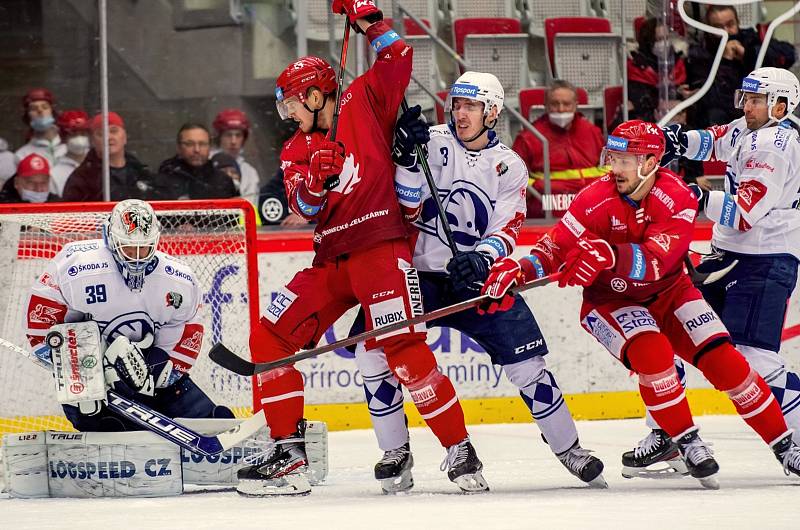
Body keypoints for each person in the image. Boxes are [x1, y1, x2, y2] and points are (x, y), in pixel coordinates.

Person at [235, 0, 482, 497]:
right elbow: (302, 206)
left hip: (380, 250)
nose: (288, 114)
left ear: (313, 93)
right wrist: (318, 180)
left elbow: (399, 59)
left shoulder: (362, 100)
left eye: (291, 103)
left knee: (403, 348)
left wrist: (368, 20)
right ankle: (288, 455)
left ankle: (459, 448)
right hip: (331, 260)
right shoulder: (294, 149)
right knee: (270, 339)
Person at [480, 119, 800, 487]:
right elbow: (555, 247)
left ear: (650, 162)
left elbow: (656, 261)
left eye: (624, 160)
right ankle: (686, 441)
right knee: (654, 356)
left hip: (671, 291)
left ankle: (785, 447)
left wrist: (609, 254)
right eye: (612, 158)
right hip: (610, 301)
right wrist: (519, 269)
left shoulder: (677, 196)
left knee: (726, 362)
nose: (613, 168)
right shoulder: (594, 197)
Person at [349, 73, 606, 494]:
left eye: (470, 106)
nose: (460, 113)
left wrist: (481, 258)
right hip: (416, 274)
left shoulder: (510, 165)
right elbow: (407, 210)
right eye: (456, 105)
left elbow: (508, 226)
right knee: (370, 352)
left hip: (475, 277)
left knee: (527, 366)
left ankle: (569, 449)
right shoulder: (428, 140)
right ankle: (396, 452)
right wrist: (406, 157)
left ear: (491, 112)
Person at [624, 67, 800, 475]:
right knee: (671, 332)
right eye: (747, 98)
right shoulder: (752, 127)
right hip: (730, 257)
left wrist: (691, 195)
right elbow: (718, 139)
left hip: (764, 260)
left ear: (781, 105)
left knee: (751, 356)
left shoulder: (775, 145)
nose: (747, 107)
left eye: (756, 100)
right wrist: (676, 141)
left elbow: (743, 213)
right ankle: (669, 435)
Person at [22, 199, 233, 432]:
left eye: (144, 247)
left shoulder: (178, 278)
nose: (137, 256)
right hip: (90, 374)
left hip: (150, 371)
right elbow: (40, 326)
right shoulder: (74, 265)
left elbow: (187, 328)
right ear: (111, 238)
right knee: (98, 420)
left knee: (211, 420)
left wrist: (158, 368)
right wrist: (87, 365)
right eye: (128, 247)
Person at [686, 4, 795, 126]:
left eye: (730, 24)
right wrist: (725, 61)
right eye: (718, 27)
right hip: (727, 118)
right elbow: (711, 99)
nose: (726, 31)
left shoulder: (750, 38)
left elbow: (788, 55)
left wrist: (748, 54)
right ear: (709, 28)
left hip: (761, 108)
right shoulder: (700, 53)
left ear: (738, 23)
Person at [511, 80, 605, 218]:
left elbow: (610, 168)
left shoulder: (593, 132)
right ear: (546, 106)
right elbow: (513, 178)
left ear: (575, 105)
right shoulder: (529, 137)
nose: (561, 109)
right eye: (555, 104)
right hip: (548, 209)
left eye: (566, 104)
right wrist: (538, 186)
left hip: (589, 206)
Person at [62, 112, 160, 202]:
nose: (108, 137)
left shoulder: (141, 173)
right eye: (101, 134)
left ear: (125, 137)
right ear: (93, 141)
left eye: (114, 131)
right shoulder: (83, 179)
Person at [158, 123, 237, 200]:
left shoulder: (223, 181)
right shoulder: (163, 181)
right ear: (179, 147)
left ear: (210, 147)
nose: (197, 150)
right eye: (189, 144)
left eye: (202, 144)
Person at [212, 108, 261, 206]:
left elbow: (251, 207)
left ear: (244, 138)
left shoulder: (250, 173)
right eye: (228, 135)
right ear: (219, 137)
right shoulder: (207, 164)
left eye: (238, 135)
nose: (233, 141)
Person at [15, 88, 65, 167]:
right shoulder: (22, 155)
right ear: (27, 116)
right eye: (34, 109)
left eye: (45, 107)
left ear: (52, 111)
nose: (40, 111)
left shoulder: (70, 147)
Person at [50, 110, 90, 198]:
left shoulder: (100, 165)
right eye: (74, 134)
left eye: (83, 133)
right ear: (64, 137)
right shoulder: (54, 174)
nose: (79, 139)